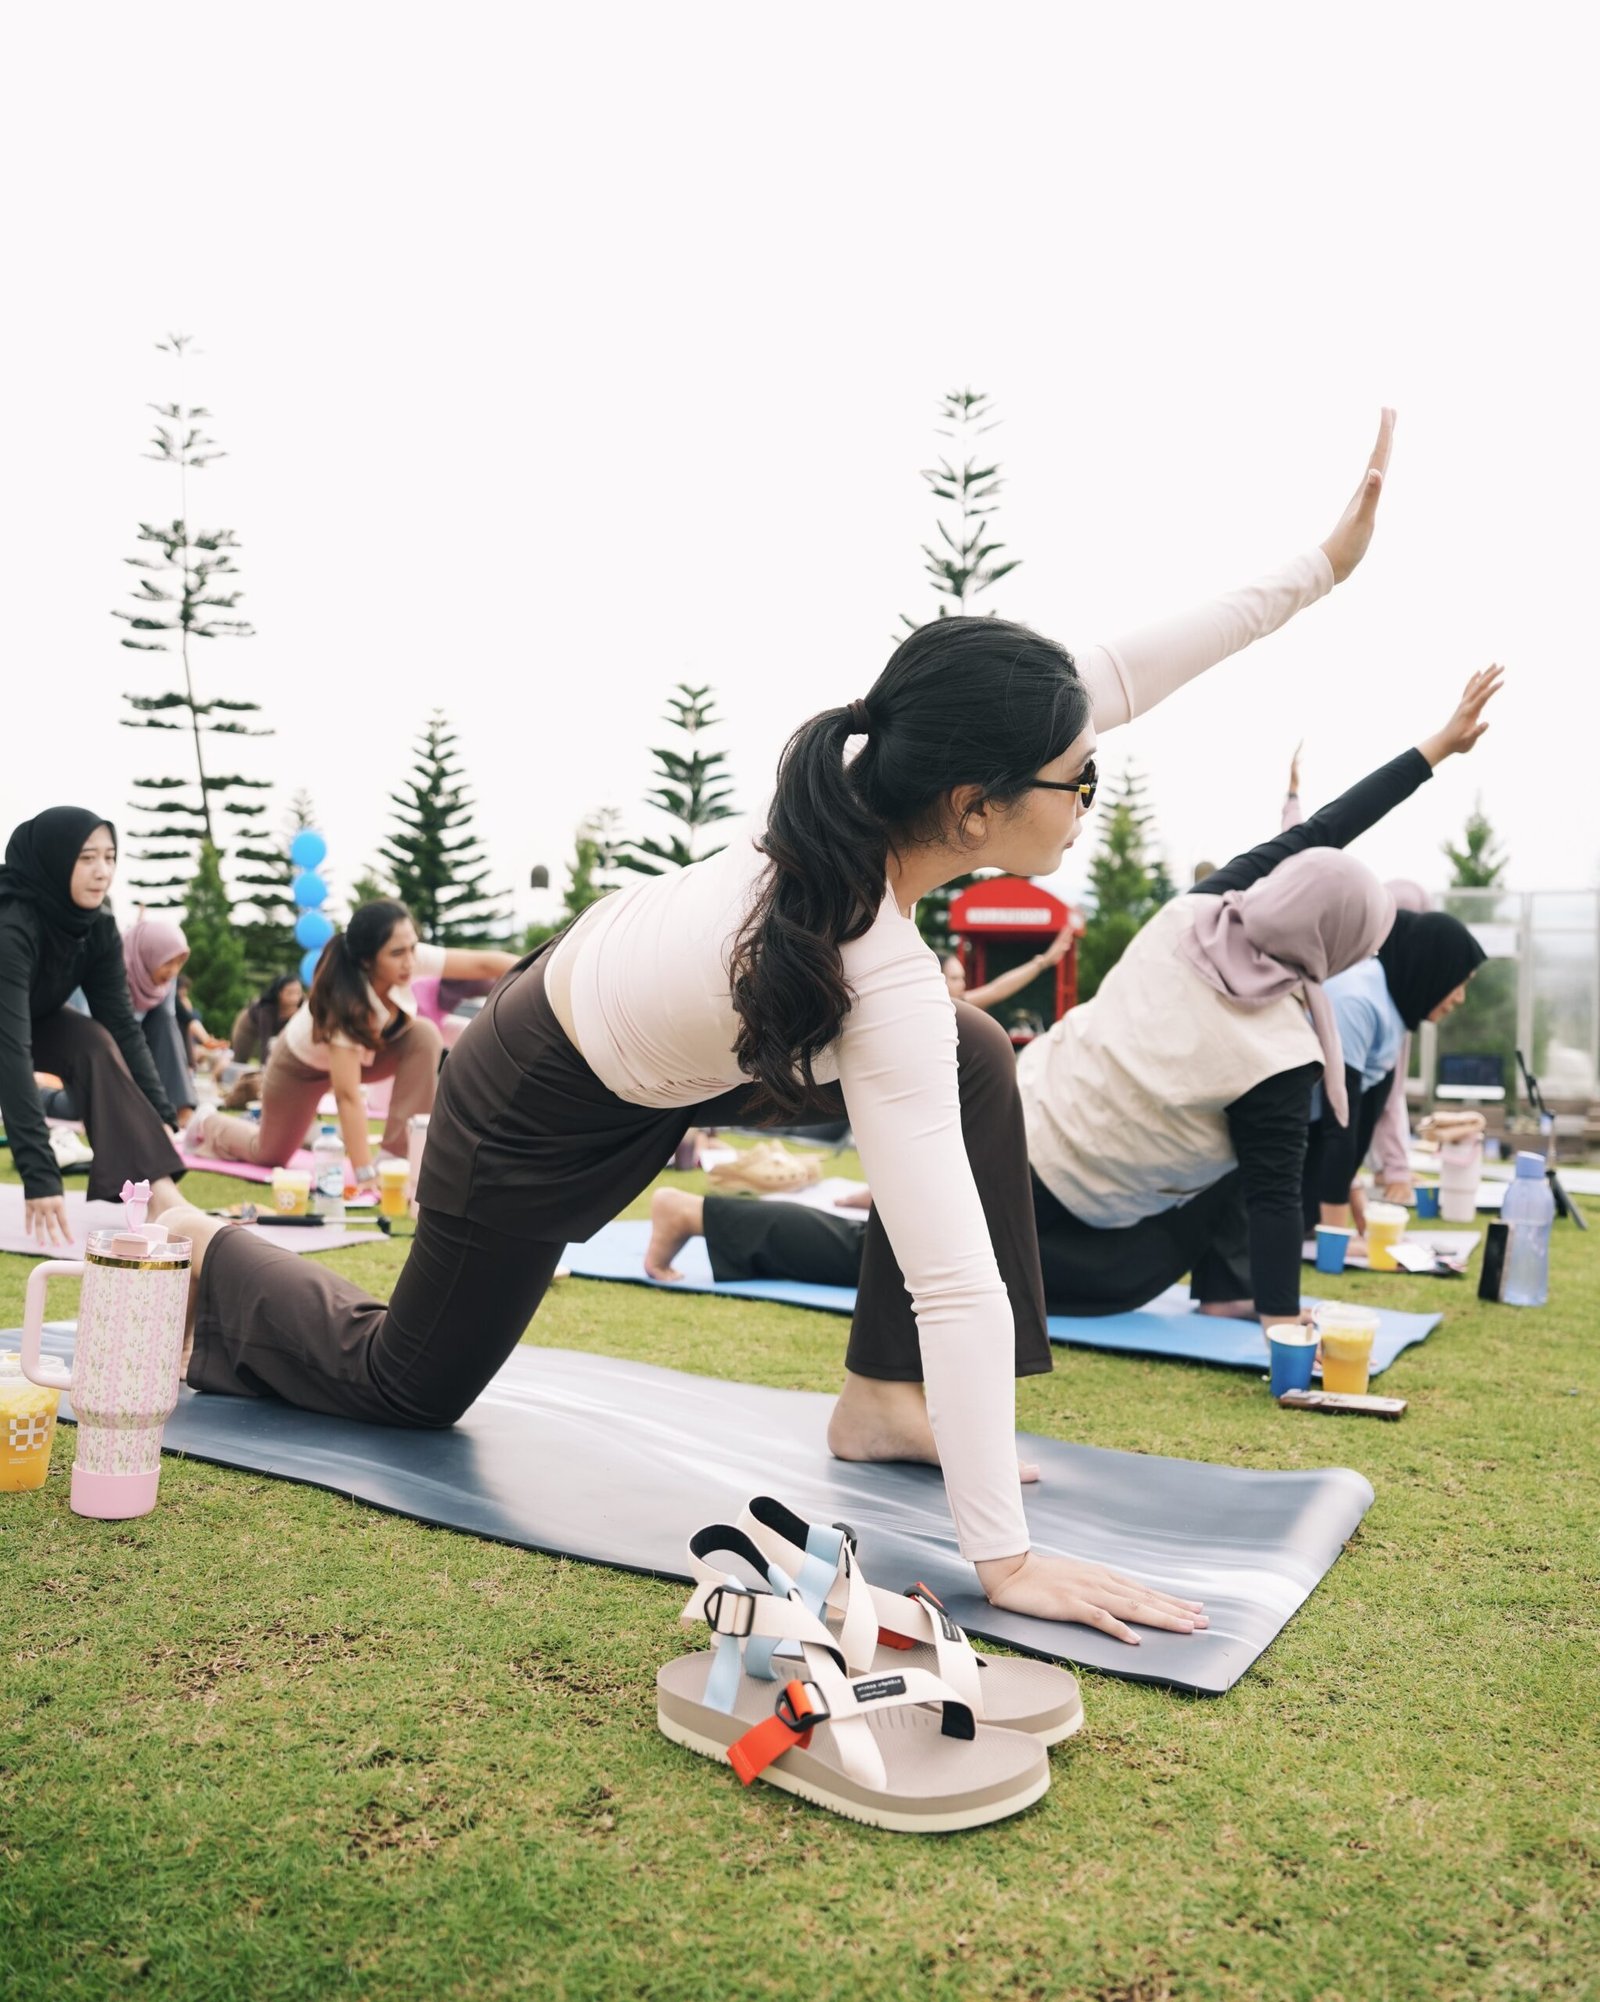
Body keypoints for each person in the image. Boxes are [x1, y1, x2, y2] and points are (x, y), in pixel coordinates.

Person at [152, 410, 1395, 1644]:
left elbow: (1123, 672)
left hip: (692, 1048)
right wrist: (1004, 1559)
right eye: (1082, 781)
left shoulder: (881, 791)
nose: (1089, 796)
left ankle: (878, 1401)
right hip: (536, 1095)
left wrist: (1322, 569)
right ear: (973, 808)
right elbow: (956, 1283)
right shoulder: (874, 966)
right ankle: (212, 1247)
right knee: (409, 1386)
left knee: (972, 1051)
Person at [648, 670, 1500, 1336]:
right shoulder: (1281, 1054)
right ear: (1333, 944)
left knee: (931, 1249)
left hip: (1017, 1105)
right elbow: (1276, 1196)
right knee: (939, 1268)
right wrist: (1282, 1318)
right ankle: (698, 1212)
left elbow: (1317, 834)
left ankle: (887, 1207)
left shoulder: (1196, 915)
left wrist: (1433, 750)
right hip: (1061, 1180)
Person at [186, 900, 517, 1189]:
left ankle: (396, 1156)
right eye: (397, 953)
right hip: (300, 1069)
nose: (409, 961)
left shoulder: (409, 958)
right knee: (268, 1154)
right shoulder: (343, 1002)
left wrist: (540, 966)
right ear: (367, 960)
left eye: (413, 948)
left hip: (368, 1055)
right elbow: (348, 1097)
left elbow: (484, 965)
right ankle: (207, 1122)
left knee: (424, 1034)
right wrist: (364, 1174)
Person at [0, 808, 185, 1247]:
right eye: (86, 858)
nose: (102, 871)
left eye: (110, 857)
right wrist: (40, 1173)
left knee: (92, 1042)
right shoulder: (12, 927)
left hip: (32, 1018)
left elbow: (120, 1025)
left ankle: (162, 1199)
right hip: (10, 1030)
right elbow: (11, 1052)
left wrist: (158, 1112)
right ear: (54, 859)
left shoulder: (97, 927)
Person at [1304, 903, 1487, 1243]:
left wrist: (1354, 1195)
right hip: (1285, 1135)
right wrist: (1338, 1240)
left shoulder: (1396, 1008)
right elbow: (1338, 1123)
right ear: (1434, 970)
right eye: (1458, 983)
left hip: (1311, 1139)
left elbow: (1361, 1116)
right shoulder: (1357, 1000)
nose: (1460, 998)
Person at [121, 911, 196, 1129]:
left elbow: (169, 1026)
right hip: (110, 1038)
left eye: (179, 963)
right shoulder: (119, 966)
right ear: (149, 953)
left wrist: (186, 1066)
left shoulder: (167, 981)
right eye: (168, 962)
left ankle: (181, 1108)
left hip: (142, 1043)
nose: (173, 971)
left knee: (163, 1017)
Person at [942, 922, 1077, 1014]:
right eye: (954, 979)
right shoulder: (939, 1008)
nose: (962, 984)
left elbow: (997, 990)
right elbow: (996, 990)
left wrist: (1044, 962)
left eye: (963, 978)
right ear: (938, 979)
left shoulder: (956, 1005)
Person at [228, 973, 304, 1068]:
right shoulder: (267, 1009)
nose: (295, 997)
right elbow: (265, 1041)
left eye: (298, 992)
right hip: (248, 1025)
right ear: (279, 993)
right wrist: (264, 1068)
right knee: (240, 1060)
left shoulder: (302, 1009)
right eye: (290, 993)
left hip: (278, 1030)